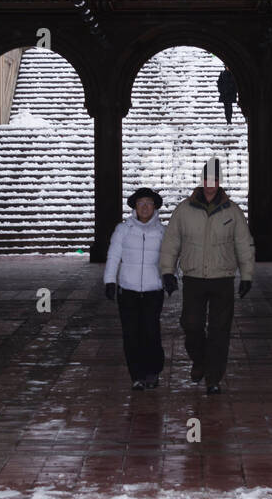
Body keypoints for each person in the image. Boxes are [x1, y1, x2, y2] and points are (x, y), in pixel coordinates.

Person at [159, 158, 254, 394]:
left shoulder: (232, 211)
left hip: (222, 278)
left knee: (220, 330)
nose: (210, 184)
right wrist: (168, 271)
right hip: (194, 278)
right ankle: (200, 360)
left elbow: (244, 244)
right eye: (207, 179)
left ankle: (213, 377)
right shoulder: (184, 209)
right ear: (201, 181)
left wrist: (247, 276)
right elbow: (171, 242)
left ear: (220, 182)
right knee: (191, 324)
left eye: (215, 180)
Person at [103, 187, 166, 390]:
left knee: (151, 332)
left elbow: (172, 257)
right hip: (128, 290)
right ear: (135, 207)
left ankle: (153, 371)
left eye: (148, 203)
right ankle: (137, 375)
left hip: (152, 290)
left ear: (154, 206)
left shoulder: (163, 231)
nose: (145, 207)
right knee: (131, 334)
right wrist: (110, 281)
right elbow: (113, 256)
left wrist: (172, 276)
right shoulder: (123, 229)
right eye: (141, 204)